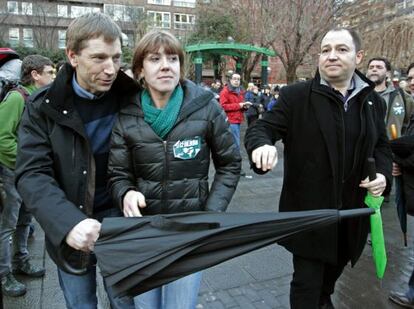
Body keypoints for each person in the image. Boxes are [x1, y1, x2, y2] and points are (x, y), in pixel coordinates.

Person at [245, 28, 392, 309]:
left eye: (341, 49)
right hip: (309, 216)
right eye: (325, 50)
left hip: (351, 216)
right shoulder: (295, 96)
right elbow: (262, 128)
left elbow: (382, 147)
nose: (331, 56)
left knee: (327, 285)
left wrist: (383, 176)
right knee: (306, 289)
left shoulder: (371, 101)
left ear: (358, 56)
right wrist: (260, 146)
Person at [108, 29, 241, 309]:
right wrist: (126, 193)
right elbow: (118, 174)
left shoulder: (205, 108)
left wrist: (211, 213)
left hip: (188, 233)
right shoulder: (127, 114)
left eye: (172, 58)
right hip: (144, 233)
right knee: (146, 306)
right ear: (140, 70)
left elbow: (230, 163)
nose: (165, 65)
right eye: (155, 59)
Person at [14, 13, 137, 308]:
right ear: (72, 56)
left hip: (122, 224)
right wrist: (69, 223)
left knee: (126, 303)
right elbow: (32, 174)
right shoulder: (42, 106)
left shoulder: (131, 96)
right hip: (70, 227)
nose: (110, 69)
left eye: (117, 58)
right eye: (98, 58)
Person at [0, 54, 54, 297]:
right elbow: (2, 138)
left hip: (25, 172)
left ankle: (21, 261)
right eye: (49, 72)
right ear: (34, 75)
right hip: (12, 171)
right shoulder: (15, 98)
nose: (53, 76)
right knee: (7, 225)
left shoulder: (38, 97)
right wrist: (22, 163)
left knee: (25, 220)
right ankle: (4, 274)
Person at [219, 73, 251, 176]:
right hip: (230, 121)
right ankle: (236, 169)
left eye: (238, 79)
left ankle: (232, 168)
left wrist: (244, 107)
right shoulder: (225, 91)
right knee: (235, 146)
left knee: (233, 145)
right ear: (230, 80)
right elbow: (222, 106)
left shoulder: (239, 91)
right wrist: (239, 105)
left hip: (237, 120)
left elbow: (238, 106)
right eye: (235, 79)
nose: (237, 81)